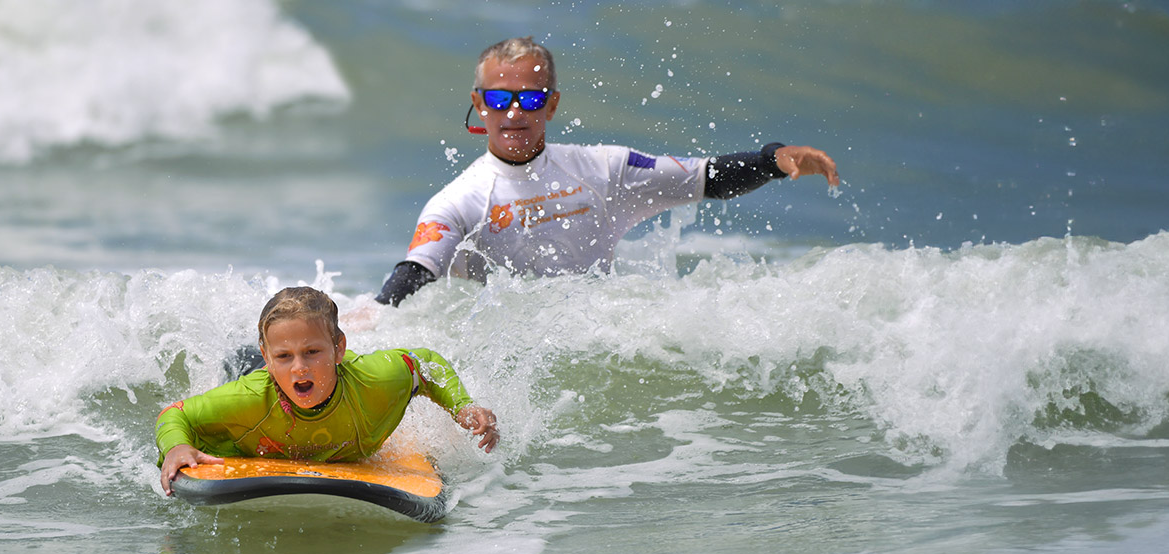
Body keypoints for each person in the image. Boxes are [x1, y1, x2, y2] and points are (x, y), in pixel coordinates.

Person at [374, 36, 842, 306]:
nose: (514, 113)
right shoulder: (459, 200)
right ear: (479, 103)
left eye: (531, 98)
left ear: (552, 104)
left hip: (595, 337)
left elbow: (707, 178)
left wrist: (772, 160)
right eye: (499, 98)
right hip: (503, 353)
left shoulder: (605, 168)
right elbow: (413, 275)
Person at [157, 286, 499, 495]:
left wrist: (462, 407)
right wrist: (177, 447)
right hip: (247, 369)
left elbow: (423, 364)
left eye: (312, 352)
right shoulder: (246, 398)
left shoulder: (374, 382)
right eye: (284, 357)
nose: (300, 368)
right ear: (269, 358)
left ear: (339, 349)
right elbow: (175, 414)